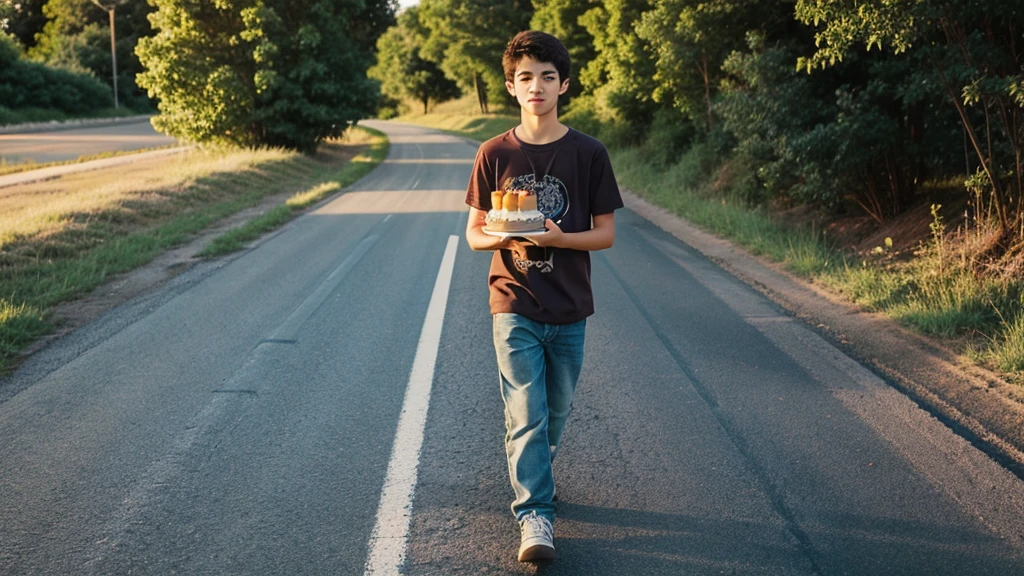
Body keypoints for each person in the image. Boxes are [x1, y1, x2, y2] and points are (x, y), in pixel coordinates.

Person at [463, 30, 623, 563]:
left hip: (570, 305)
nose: (537, 86)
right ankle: (536, 515)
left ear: (564, 85)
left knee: (555, 409)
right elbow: (475, 233)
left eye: (547, 77)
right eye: (525, 77)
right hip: (513, 300)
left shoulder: (589, 153)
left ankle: (537, 463)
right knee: (526, 411)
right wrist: (505, 236)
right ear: (512, 86)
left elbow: (605, 234)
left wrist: (559, 239)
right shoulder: (493, 153)